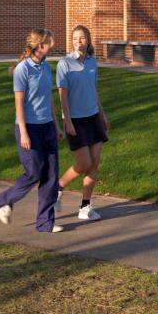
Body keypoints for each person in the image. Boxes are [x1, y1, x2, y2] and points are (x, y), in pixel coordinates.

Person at [0, 29, 64, 233]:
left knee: (51, 176)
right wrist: (23, 133)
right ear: (41, 45)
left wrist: (56, 125)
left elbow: (48, 97)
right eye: (50, 42)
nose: (53, 45)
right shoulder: (23, 69)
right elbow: (19, 104)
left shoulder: (45, 67)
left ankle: (45, 223)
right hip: (29, 128)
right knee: (33, 173)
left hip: (48, 127)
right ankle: (4, 200)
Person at [55, 25, 109, 221]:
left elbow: (93, 91)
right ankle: (58, 188)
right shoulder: (65, 63)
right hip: (74, 120)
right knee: (83, 163)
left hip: (93, 117)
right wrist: (67, 121)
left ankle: (85, 207)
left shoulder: (93, 63)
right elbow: (62, 95)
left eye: (82, 38)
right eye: (76, 38)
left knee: (94, 163)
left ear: (88, 40)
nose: (79, 41)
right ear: (72, 41)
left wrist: (102, 115)